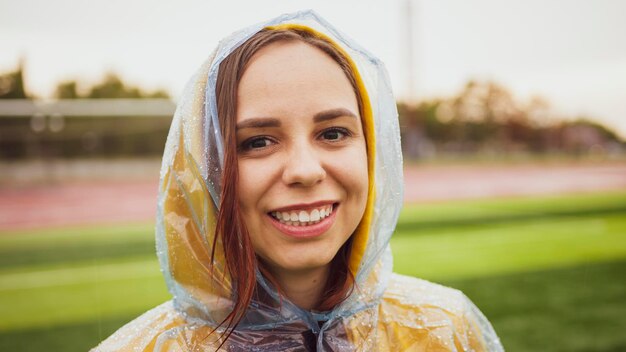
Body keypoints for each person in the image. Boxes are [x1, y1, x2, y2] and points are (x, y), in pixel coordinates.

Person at [93, 10, 504, 351]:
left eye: (332, 133)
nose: (305, 171)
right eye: (257, 142)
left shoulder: (444, 330)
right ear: (206, 171)